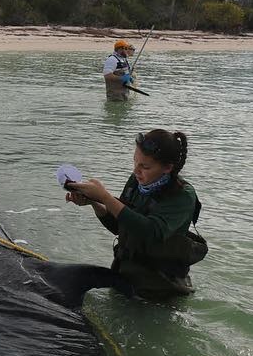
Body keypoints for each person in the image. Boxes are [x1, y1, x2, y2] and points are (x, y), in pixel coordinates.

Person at [65, 129, 208, 300]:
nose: (136, 171)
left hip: (161, 289)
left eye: (145, 166)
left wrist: (105, 197)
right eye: (135, 162)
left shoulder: (183, 196)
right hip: (125, 277)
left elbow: (150, 232)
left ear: (168, 168)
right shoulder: (137, 182)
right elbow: (121, 226)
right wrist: (94, 203)